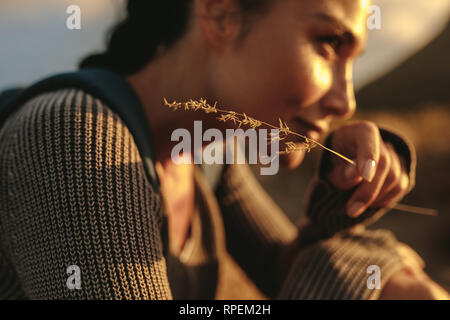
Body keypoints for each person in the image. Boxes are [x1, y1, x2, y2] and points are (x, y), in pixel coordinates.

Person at [0, 0, 448, 299]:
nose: (345, 101)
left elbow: (287, 272)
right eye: (328, 44)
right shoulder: (74, 138)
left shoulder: (205, 157)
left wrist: (337, 207)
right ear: (220, 15)